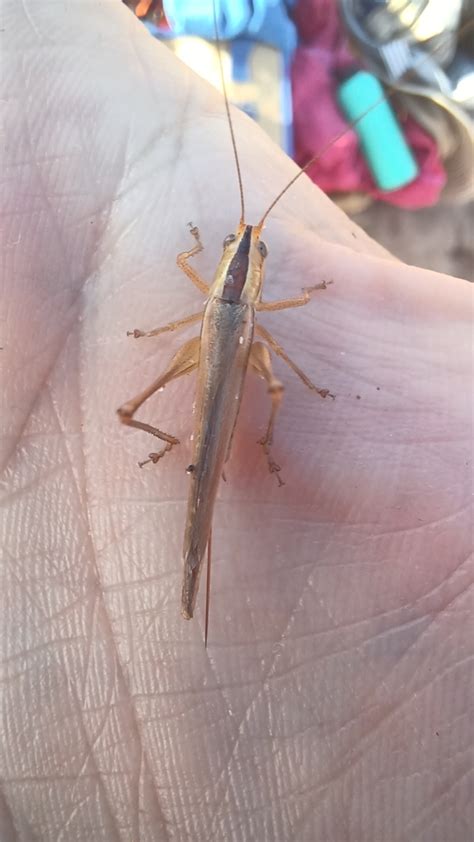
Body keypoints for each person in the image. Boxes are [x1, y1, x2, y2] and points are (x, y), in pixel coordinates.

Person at [1, 2, 472, 840]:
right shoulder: (246, 290)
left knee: (274, 381)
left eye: (235, 251)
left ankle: (198, 533)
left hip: (222, 340)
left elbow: (237, 300)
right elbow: (264, 327)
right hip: (221, 347)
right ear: (235, 262)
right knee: (263, 386)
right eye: (234, 249)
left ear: (233, 265)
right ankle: (195, 534)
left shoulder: (228, 283)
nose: (237, 252)